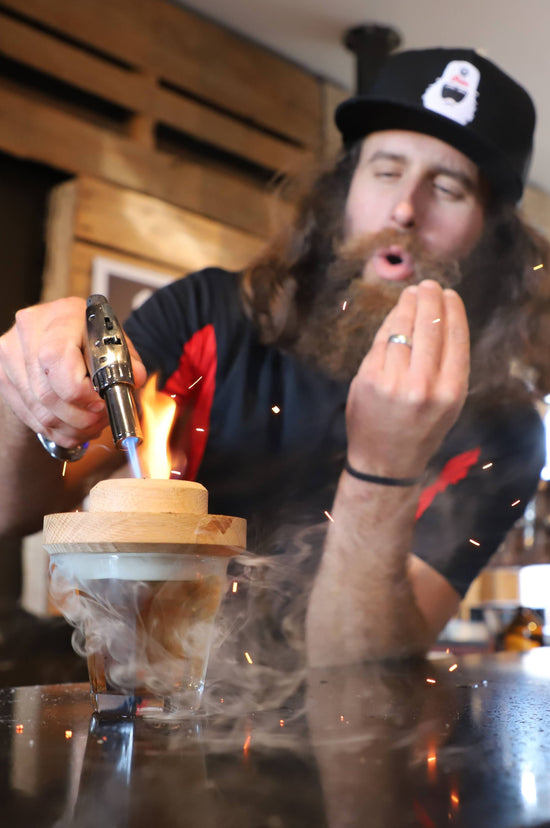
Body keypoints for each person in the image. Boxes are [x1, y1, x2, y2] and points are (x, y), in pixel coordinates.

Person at [0, 48, 547, 669]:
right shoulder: (208, 314)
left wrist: (383, 471)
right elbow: (10, 514)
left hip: (334, 743)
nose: (405, 210)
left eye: (448, 187)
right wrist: (24, 403)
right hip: (137, 697)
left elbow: (360, 663)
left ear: (492, 238)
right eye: (386, 171)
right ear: (344, 190)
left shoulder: (508, 430)